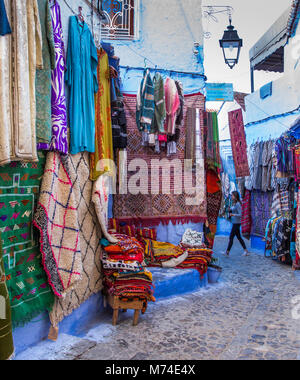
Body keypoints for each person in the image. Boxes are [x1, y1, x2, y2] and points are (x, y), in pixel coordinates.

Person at [225, 191, 250, 257]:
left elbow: (241, 214)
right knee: (239, 237)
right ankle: (245, 250)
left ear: (235, 197)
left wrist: (233, 214)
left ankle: (227, 252)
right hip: (235, 223)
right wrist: (230, 209)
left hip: (237, 223)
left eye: (232, 196)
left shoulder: (238, 204)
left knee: (231, 237)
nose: (231, 197)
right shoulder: (235, 204)